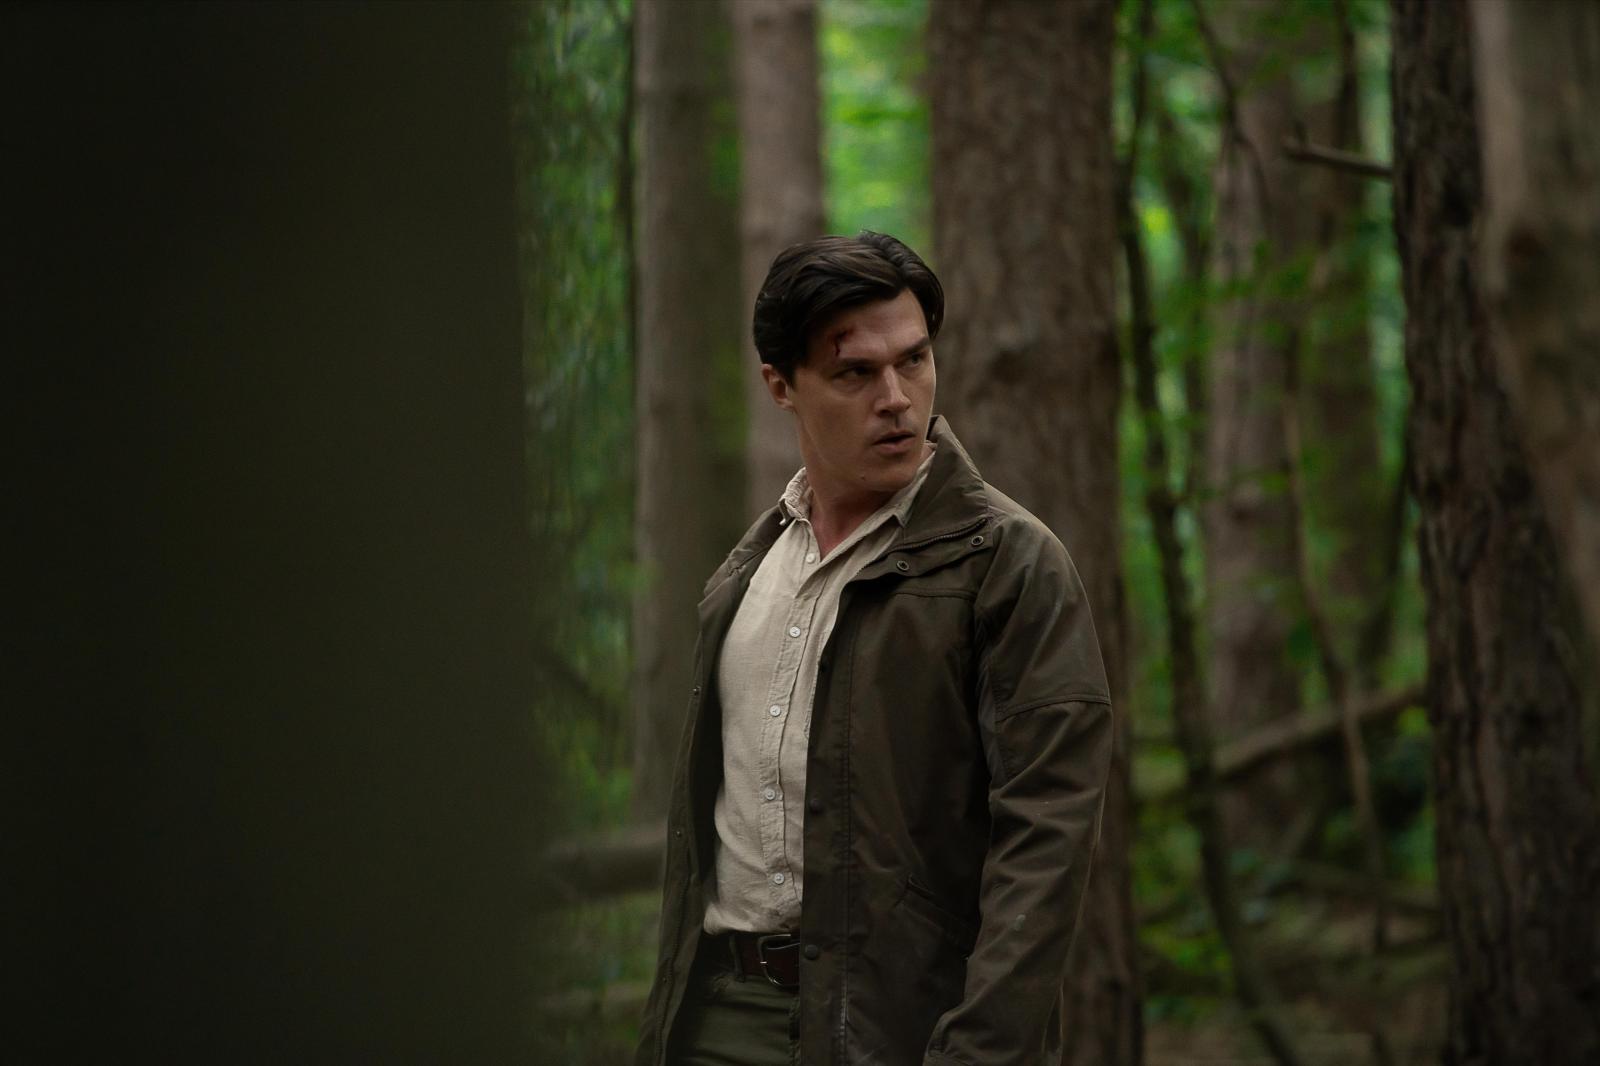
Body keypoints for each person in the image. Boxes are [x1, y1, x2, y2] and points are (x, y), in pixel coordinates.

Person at [635, 232, 1113, 1066]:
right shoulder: (745, 574)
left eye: (914, 360)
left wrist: (979, 1053)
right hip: (719, 1015)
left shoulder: (1009, 564)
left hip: (902, 1030)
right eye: (854, 373)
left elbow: (1048, 843)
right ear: (781, 386)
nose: (896, 398)